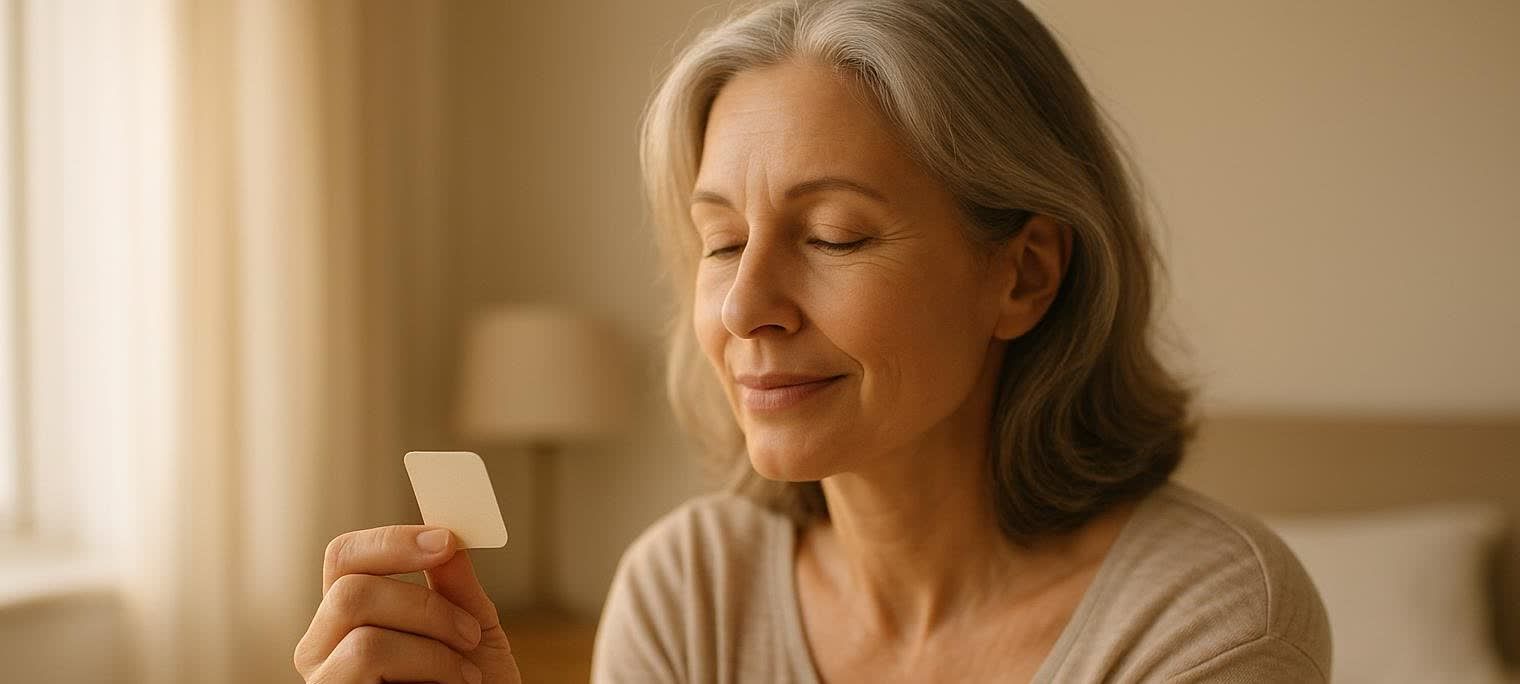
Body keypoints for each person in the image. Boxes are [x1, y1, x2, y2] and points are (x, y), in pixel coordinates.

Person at [295, 1, 1331, 682]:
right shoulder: (691, 590)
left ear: (1022, 274)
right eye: (718, 242)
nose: (746, 306)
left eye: (832, 234)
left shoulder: (1206, 622)